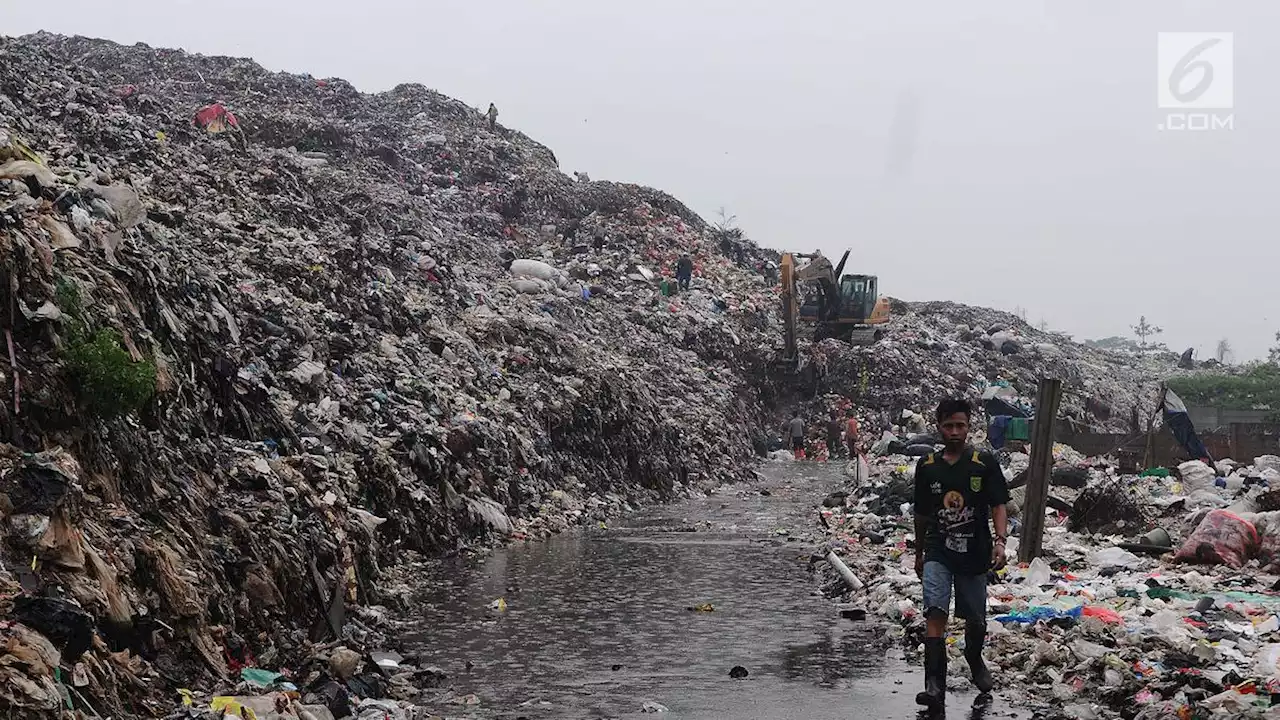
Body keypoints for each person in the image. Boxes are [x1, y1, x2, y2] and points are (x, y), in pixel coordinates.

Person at [912, 398, 1010, 710]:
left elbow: (998, 504)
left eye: (961, 426)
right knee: (935, 611)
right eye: (948, 426)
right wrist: (919, 553)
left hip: (975, 550)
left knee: (976, 620)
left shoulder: (983, 462)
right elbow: (922, 516)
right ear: (938, 426)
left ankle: (973, 655)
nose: (955, 432)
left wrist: (1001, 541)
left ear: (969, 427)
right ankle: (934, 687)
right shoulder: (927, 467)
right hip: (939, 549)